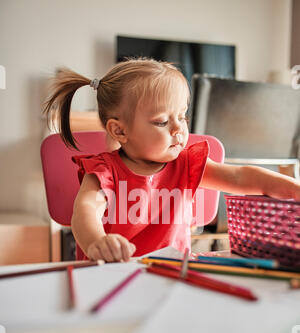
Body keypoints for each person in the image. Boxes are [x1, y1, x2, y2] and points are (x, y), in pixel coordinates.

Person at [43, 58, 300, 262]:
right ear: (119, 130)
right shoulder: (104, 171)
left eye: (183, 116)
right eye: (162, 122)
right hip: (115, 274)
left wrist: (293, 189)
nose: (178, 129)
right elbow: (86, 210)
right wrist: (96, 242)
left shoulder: (186, 164)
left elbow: (240, 176)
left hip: (173, 274)